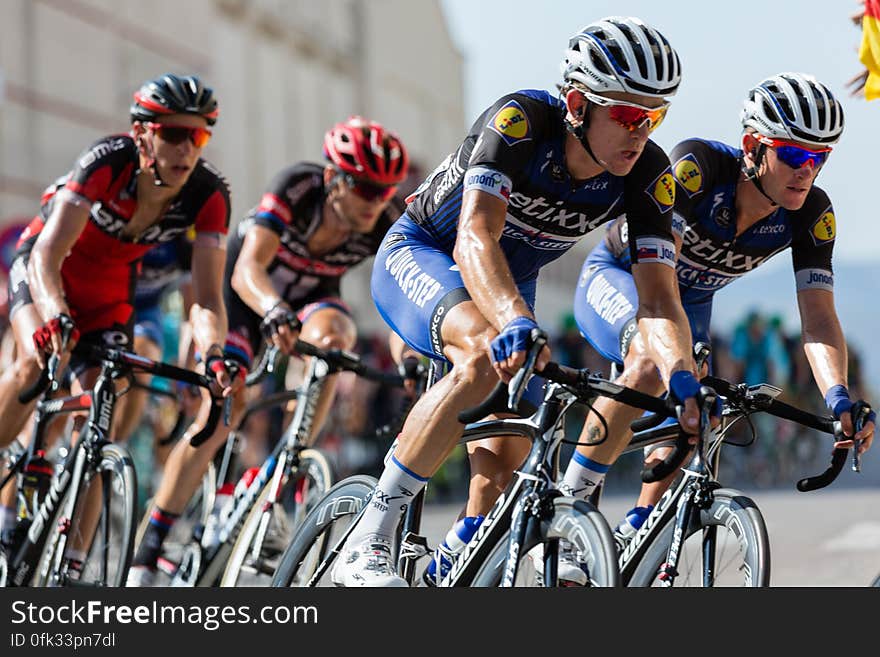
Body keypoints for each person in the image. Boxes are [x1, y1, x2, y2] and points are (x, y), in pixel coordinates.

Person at [331, 16, 706, 587]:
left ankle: (444, 569)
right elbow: (474, 235)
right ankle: (369, 535)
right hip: (428, 252)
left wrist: (681, 377)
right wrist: (514, 320)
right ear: (578, 103)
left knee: (505, 460)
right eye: (629, 115)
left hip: (508, 283)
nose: (642, 131)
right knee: (482, 355)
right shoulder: (521, 122)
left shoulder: (649, 171)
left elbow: (658, 299)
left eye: (656, 116)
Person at [568, 72, 876, 573]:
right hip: (625, 280)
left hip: (690, 305)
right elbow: (658, 280)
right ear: (753, 146)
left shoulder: (811, 213)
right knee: (651, 361)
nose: (808, 171)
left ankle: (637, 527)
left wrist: (839, 396)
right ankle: (572, 505)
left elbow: (818, 317)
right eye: (795, 155)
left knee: (696, 419)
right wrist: (679, 357)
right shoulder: (698, 169)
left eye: (821, 158)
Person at [126, 115, 409, 585]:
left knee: (337, 336)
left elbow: (399, 299)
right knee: (223, 413)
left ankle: (289, 461)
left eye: (383, 191)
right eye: (361, 186)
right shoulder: (297, 188)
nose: (373, 201)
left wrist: (410, 357)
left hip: (308, 304)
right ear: (332, 179)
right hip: (244, 299)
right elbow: (246, 271)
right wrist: (273, 310)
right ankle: (151, 545)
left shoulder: (383, 219)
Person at [0, 74, 239, 574]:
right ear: (142, 134)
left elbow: (209, 300)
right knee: (33, 364)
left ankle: (73, 567)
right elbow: (46, 255)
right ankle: (8, 501)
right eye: (172, 134)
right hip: (49, 276)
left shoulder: (208, 195)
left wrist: (212, 353)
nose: (185, 148)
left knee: (103, 418)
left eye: (196, 136)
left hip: (109, 295)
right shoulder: (106, 163)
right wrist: (55, 314)